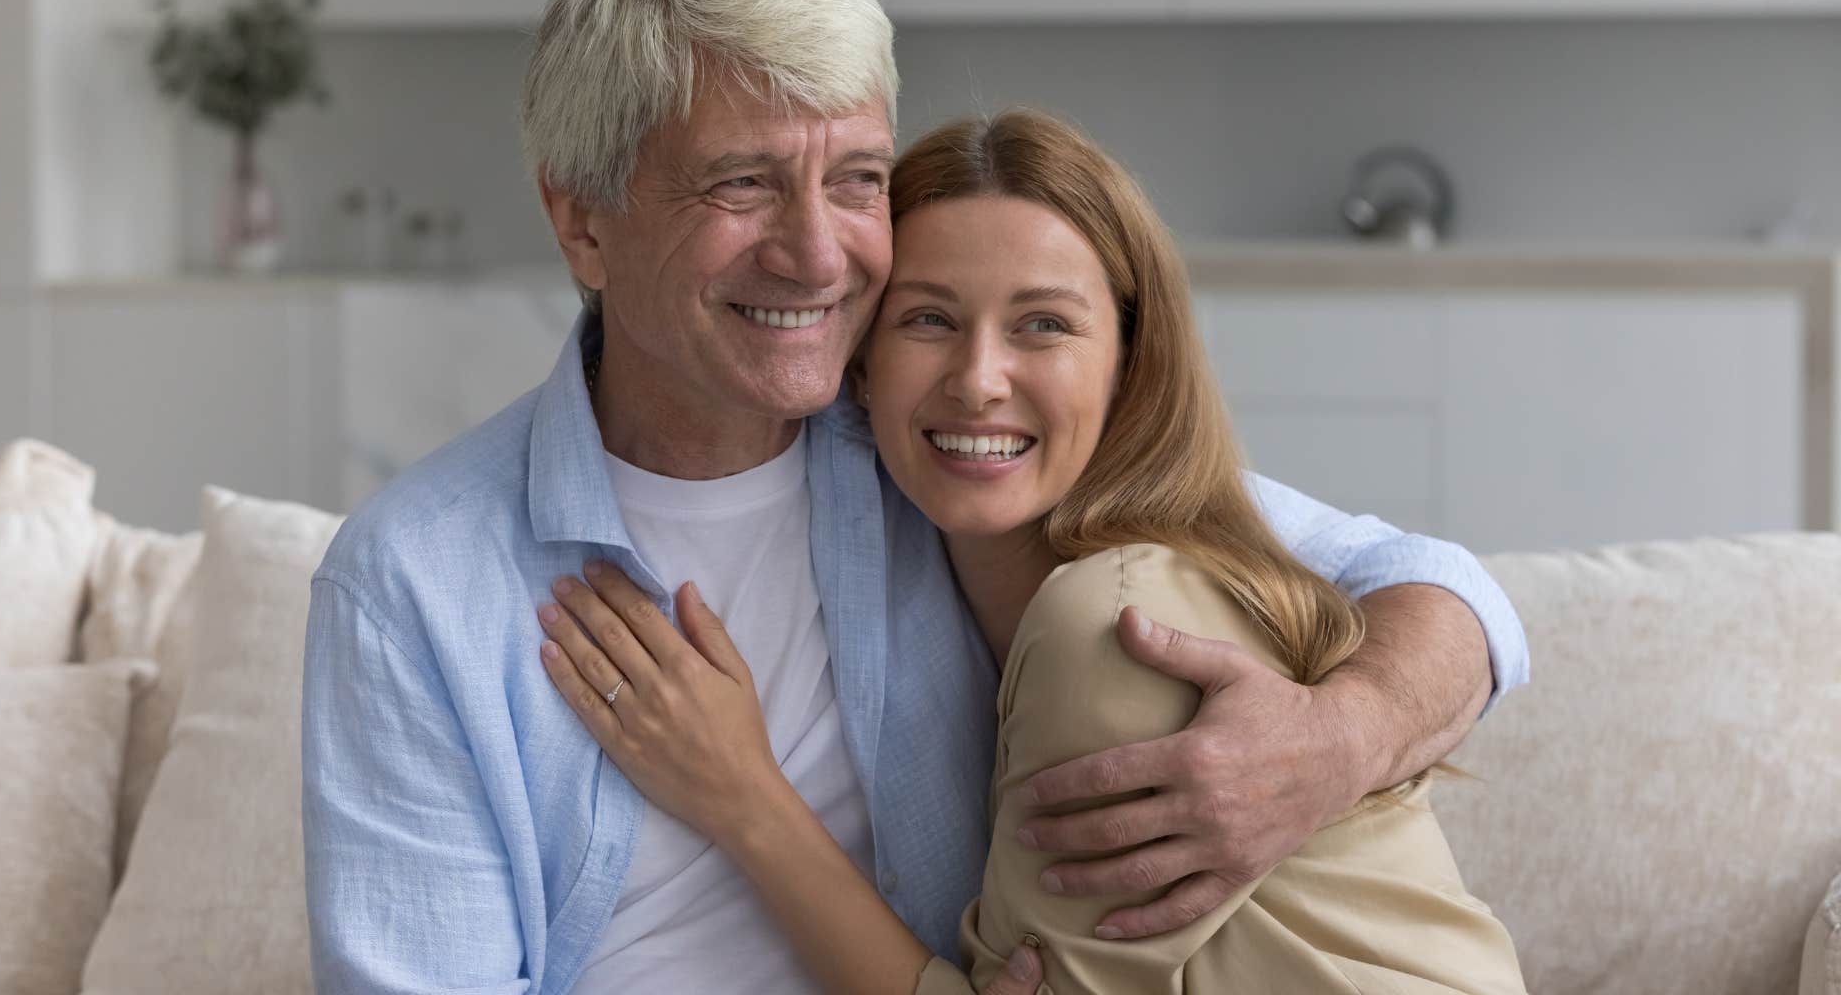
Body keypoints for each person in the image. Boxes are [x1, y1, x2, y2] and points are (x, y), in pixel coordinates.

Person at [301, 0, 1528, 993]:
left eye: (857, 182)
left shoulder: (942, 452)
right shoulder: (417, 583)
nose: (817, 253)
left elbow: (1442, 590)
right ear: (582, 220)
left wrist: (1338, 743)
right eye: (742, 183)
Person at [534, 108, 1528, 993]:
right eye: (927, 319)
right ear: (861, 362)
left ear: (1128, 362)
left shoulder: (1121, 624)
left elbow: (1449, 583)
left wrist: (741, 794)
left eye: (1043, 325)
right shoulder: (880, 503)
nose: (978, 381)